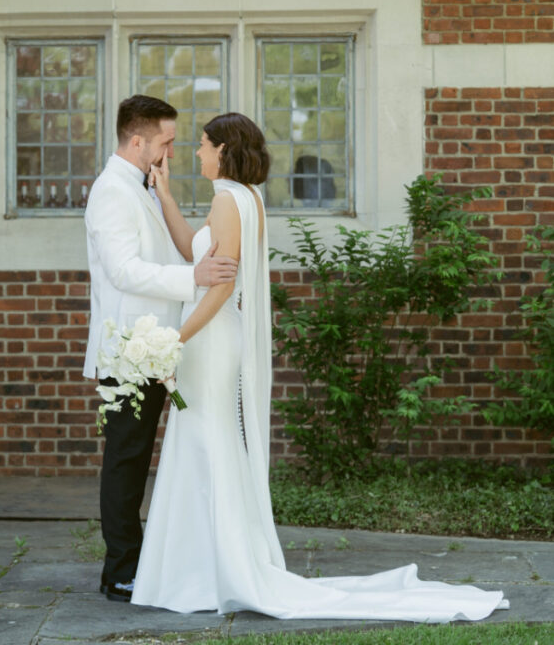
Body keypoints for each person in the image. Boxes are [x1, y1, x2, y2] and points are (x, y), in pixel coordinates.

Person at [130, 112, 509, 622]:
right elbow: (191, 255)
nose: (195, 153)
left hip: (210, 339)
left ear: (223, 150)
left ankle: (207, 572)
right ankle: (204, 568)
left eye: (201, 146)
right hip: (214, 339)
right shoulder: (246, 198)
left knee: (207, 441)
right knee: (205, 439)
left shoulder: (227, 201)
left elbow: (219, 288)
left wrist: (173, 339)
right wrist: (166, 196)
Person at [83, 95, 239, 603]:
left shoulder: (143, 186)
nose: (172, 151)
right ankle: (120, 571)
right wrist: (190, 276)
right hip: (130, 350)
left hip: (152, 347)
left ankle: (137, 562)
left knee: (137, 458)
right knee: (126, 460)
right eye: (166, 142)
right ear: (137, 141)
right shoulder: (111, 191)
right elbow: (123, 269)